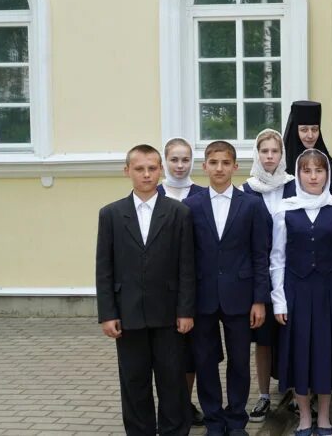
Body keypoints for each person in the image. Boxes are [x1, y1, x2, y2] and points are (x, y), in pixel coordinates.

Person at [96, 144, 195, 436]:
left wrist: (186, 310)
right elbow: (104, 267)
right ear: (127, 171)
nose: (147, 174)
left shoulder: (178, 213)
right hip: (128, 315)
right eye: (139, 168)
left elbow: (186, 267)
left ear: (160, 170)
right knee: (134, 382)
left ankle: (174, 431)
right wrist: (107, 313)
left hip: (168, 316)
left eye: (152, 168)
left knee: (172, 381)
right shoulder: (111, 214)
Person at [183, 141, 270, 436]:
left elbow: (261, 255)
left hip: (240, 297)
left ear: (235, 167)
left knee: (239, 362)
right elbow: (186, 257)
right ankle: (214, 421)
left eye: (225, 162)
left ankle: (236, 420)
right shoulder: (191, 206)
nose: (219, 168)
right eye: (213, 162)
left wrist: (259, 300)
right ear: (204, 166)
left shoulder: (252, 205)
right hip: (203, 297)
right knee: (205, 361)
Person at [271, 149, 332, 436]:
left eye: (319, 170)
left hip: (329, 290)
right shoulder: (285, 209)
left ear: (328, 174)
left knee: (326, 352)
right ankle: (304, 416)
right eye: (307, 171)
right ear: (298, 174)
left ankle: (325, 416)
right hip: (296, 291)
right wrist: (279, 300)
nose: (313, 176)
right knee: (300, 352)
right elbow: (277, 258)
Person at [242, 129, 297, 423]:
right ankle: (264, 395)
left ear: (282, 154)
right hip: (260, 274)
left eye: (275, 151)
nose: (270, 157)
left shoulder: (294, 186)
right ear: (257, 154)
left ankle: (296, 394)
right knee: (263, 340)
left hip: (292, 274)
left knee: (292, 334)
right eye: (265, 151)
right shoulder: (246, 190)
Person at [157, 136, 206, 425]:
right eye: (174, 159)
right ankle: (169, 406)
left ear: (192, 162)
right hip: (160, 288)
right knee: (164, 353)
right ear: (165, 161)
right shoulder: (154, 193)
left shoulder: (200, 195)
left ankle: (185, 403)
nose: (179, 165)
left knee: (189, 353)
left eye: (185, 159)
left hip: (192, 285)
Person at [284, 100, 332, 175]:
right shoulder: (281, 167)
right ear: (295, 131)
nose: (310, 136)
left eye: (314, 130)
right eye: (304, 130)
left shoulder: (331, 167)